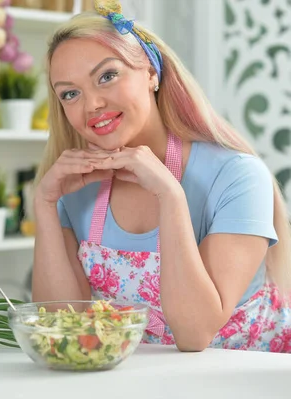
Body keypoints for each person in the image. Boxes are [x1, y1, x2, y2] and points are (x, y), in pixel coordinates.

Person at [32, 0, 291, 353]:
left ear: (152, 73)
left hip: (248, 378)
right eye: (70, 94)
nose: (91, 104)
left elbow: (195, 333)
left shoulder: (237, 176)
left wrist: (170, 196)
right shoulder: (74, 188)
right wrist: (45, 205)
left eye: (107, 76)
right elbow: (63, 333)